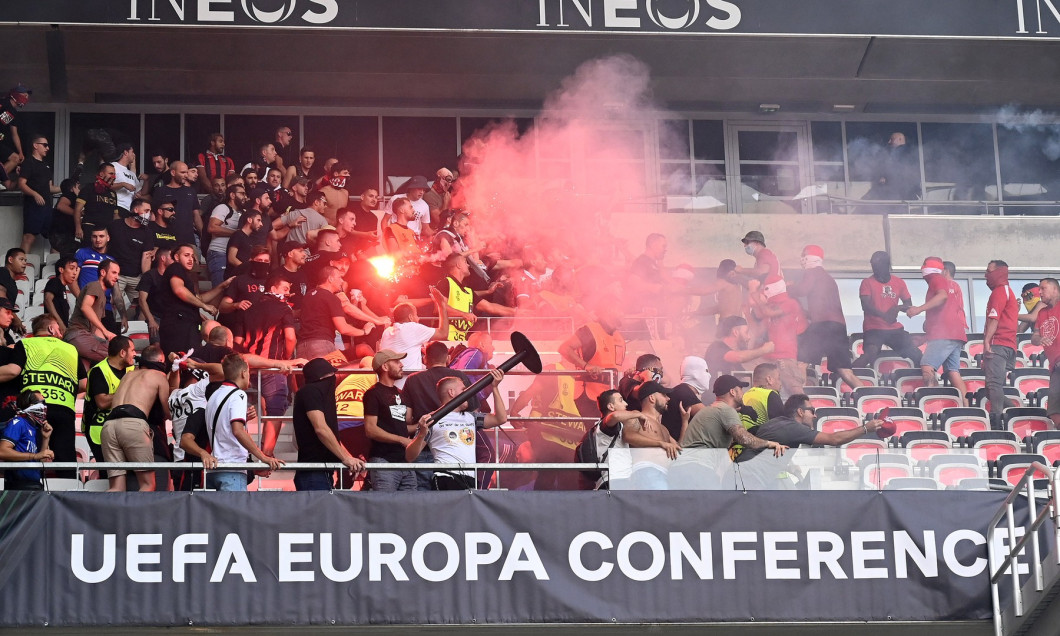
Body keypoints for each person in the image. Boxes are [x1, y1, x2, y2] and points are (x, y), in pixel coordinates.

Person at [0, 315, 87, 478]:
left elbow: (13, 370)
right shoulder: (71, 349)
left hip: (35, 407)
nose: (61, 334)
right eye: (59, 330)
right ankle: (68, 498)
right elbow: (83, 384)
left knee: (32, 457)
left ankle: (32, 495)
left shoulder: (26, 343)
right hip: (65, 409)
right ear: (51, 329)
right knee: (65, 462)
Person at [734, 394, 883, 489]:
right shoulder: (793, 428)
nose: (815, 415)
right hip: (749, 479)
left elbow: (763, 449)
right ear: (800, 412)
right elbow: (834, 439)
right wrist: (865, 428)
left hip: (740, 475)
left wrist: (787, 466)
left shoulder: (777, 422)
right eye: (811, 410)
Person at [670, 375, 786, 489]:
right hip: (697, 469)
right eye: (741, 389)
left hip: (680, 469)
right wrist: (769, 444)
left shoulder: (711, 410)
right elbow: (744, 438)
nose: (743, 394)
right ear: (732, 392)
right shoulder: (726, 410)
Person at [405, 368, 507, 490]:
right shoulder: (432, 419)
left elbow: (500, 419)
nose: (468, 394)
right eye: (464, 390)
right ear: (451, 392)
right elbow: (409, 456)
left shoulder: (471, 417)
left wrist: (495, 387)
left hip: (469, 479)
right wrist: (421, 434)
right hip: (446, 477)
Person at [202, 353, 283, 491]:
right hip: (232, 469)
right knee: (235, 512)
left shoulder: (215, 394)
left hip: (213, 470)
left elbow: (223, 425)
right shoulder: (238, 395)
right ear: (244, 373)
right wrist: (264, 457)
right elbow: (238, 431)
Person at [787, 245, 864, 390]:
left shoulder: (812, 272)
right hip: (838, 327)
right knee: (845, 371)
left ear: (808, 257)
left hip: (822, 325)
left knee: (801, 362)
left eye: (803, 255)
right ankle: (866, 394)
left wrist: (788, 288)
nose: (801, 259)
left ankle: (800, 399)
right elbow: (824, 307)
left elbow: (802, 290)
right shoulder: (828, 278)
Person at [241, 273, 297, 454]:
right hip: (272, 367)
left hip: (248, 367)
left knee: (244, 410)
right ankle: (266, 455)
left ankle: (252, 452)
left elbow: (238, 340)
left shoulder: (248, 309)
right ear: (273, 289)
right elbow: (290, 337)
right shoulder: (284, 308)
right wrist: (285, 360)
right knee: (274, 411)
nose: (288, 293)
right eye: (285, 289)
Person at [293, 358, 366, 491]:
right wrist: (345, 458)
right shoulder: (310, 392)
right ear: (322, 376)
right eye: (331, 375)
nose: (333, 378)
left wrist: (349, 457)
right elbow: (321, 428)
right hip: (313, 472)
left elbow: (331, 433)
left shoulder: (318, 394)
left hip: (322, 471)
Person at [906, 257, 968, 401]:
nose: (921, 267)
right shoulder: (954, 286)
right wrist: (926, 336)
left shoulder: (937, 279)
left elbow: (942, 296)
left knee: (927, 366)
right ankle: (967, 406)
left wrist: (919, 309)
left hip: (945, 334)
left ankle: (932, 402)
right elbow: (947, 312)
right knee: (953, 372)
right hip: (956, 334)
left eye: (924, 264)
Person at [154, 243, 232, 355]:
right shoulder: (176, 267)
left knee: (189, 363)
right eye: (186, 255)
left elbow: (199, 298)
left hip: (186, 326)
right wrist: (204, 306)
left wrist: (222, 286)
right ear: (176, 257)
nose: (191, 259)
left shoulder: (183, 274)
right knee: (182, 363)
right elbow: (179, 290)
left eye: (192, 256)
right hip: (178, 327)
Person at [851, 251, 922, 368]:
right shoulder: (867, 282)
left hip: (893, 328)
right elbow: (865, 305)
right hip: (873, 327)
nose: (874, 269)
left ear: (887, 265)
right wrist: (885, 316)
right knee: (871, 352)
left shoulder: (899, 282)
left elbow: (908, 304)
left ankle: (927, 379)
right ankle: (846, 376)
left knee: (916, 354)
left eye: (877, 266)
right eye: (873, 265)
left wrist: (897, 308)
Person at [363, 350, 417, 491]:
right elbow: (370, 429)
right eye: (397, 361)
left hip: (405, 461)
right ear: (385, 367)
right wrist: (401, 439)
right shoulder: (373, 394)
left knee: (411, 507)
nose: (401, 365)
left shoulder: (400, 393)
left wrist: (421, 427)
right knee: (385, 507)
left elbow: (400, 426)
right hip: (383, 460)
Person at [559, 306, 626, 416]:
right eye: (620, 309)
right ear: (608, 311)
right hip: (589, 395)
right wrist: (586, 366)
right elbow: (564, 348)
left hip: (611, 397)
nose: (623, 314)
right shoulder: (590, 330)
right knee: (596, 431)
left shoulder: (619, 338)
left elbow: (618, 366)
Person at [297, 266, 375, 359]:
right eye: (339, 277)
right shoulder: (331, 297)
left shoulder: (308, 296)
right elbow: (343, 329)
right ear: (330, 279)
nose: (342, 281)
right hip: (322, 347)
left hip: (301, 348)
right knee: (336, 372)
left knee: (362, 349)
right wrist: (364, 331)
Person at [749, 277, 807, 399]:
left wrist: (754, 293)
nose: (764, 292)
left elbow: (768, 313)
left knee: (795, 391)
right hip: (769, 357)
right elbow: (760, 325)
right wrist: (752, 304)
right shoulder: (770, 307)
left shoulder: (790, 303)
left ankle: (806, 413)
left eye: (766, 288)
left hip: (785, 357)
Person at [621, 381, 684, 490]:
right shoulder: (637, 416)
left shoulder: (664, 429)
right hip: (646, 470)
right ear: (652, 398)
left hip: (665, 474)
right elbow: (628, 435)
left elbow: (679, 449)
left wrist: (685, 422)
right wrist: (660, 443)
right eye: (664, 395)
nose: (668, 398)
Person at [83, 336, 135, 463]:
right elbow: (102, 402)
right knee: (108, 473)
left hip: (121, 427)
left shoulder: (131, 369)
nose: (135, 354)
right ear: (122, 353)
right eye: (132, 350)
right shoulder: (98, 371)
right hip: (98, 428)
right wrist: (127, 389)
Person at [64, 259, 124, 364]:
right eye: (114, 273)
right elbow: (85, 307)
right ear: (103, 272)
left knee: (86, 374)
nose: (117, 277)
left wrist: (107, 341)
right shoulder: (95, 286)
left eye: (118, 274)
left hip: (87, 336)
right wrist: (106, 332)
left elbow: (96, 327)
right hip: (78, 334)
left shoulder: (103, 296)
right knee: (117, 357)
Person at [983, 260, 1019, 428]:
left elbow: (994, 317)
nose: (985, 275)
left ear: (999, 272)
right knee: (991, 389)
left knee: (994, 385)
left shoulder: (999, 291)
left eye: (988, 271)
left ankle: (996, 420)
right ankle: (1016, 413)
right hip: (1008, 344)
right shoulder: (1008, 291)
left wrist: (986, 341)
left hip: (999, 343)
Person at [378, 293, 450, 377]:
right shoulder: (412, 328)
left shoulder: (387, 331)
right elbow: (443, 333)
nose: (418, 318)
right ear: (410, 317)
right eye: (416, 315)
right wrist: (441, 305)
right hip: (406, 383)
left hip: (388, 381)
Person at [106, 199, 156, 319]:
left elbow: (146, 257)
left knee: (146, 302)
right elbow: (104, 247)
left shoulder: (147, 232)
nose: (148, 214)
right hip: (117, 276)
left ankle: (139, 329)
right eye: (146, 211)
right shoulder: (115, 226)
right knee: (110, 301)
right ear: (136, 210)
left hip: (136, 276)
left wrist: (146, 280)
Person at [0, 391, 52, 490]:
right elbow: (2, 451)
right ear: (31, 405)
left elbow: (41, 461)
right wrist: (34, 456)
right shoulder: (18, 422)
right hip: (17, 485)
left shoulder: (37, 429)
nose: (44, 407)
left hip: (35, 484)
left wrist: (46, 438)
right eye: (41, 402)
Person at [16, 134, 60, 253]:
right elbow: (21, 184)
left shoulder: (46, 166)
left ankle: (55, 269)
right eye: (45, 145)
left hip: (47, 206)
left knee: (55, 238)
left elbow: (50, 188)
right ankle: (20, 267)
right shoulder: (28, 163)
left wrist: (66, 188)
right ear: (35, 145)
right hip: (33, 206)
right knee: (29, 237)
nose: (47, 148)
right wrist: (35, 194)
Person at [151, 161, 202, 246]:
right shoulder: (161, 191)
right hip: (166, 239)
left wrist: (202, 235)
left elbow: (196, 216)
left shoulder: (191, 191)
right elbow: (154, 215)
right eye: (182, 172)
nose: (186, 175)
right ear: (173, 172)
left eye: (186, 172)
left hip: (188, 240)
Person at [704, 315, 773, 378]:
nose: (749, 337)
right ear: (735, 332)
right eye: (746, 332)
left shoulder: (735, 357)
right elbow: (739, 357)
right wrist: (764, 350)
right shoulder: (717, 347)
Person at [660, 356, 710, 442]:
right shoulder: (683, 392)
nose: (709, 375)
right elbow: (710, 417)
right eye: (706, 371)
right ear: (695, 374)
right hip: (678, 449)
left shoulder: (682, 390)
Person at [206, 183, 246, 286]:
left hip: (229, 256)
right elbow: (212, 227)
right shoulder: (223, 208)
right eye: (241, 193)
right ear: (232, 195)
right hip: (218, 252)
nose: (245, 197)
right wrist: (236, 233)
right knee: (220, 288)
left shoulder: (240, 212)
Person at [864, 131, 920, 204]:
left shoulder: (903, 153)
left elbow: (898, 172)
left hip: (900, 195)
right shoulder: (909, 152)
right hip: (904, 196)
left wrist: (885, 177)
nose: (889, 141)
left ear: (900, 139)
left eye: (892, 139)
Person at [1033, 278, 1060, 428]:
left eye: (1043, 288)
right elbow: (1034, 336)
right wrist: (1040, 339)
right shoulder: (1042, 313)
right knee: (1054, 412)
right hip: (1055, 366)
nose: (1039, 292)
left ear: (1055, 289)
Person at [136, 246, 173, 344]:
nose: (175, 259)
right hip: (154, 315)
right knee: (157, 346)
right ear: (163, 258)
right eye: (171, 256)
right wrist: (151, 320)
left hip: (169, 317)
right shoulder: (149, 275)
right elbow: (142, 300)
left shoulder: (173, 277)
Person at [75, 162, 120, 242]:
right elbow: (77, 210)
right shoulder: (89, 188)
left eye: (114, 174)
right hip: (90, 228)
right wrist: (78, 228)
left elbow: (115, 215)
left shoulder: (113, 193)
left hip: (106, 231)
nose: (114, 176)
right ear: (101, 174)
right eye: (111, 173)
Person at [0, 84, 31, 183]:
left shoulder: (13, 113)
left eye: (27, 97)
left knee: (16, 158)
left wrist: (21, 152)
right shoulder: (3, 103)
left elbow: (14, 134)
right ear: (15, 95)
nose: (26, 98)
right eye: (24, 95)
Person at [226, 209, 264, 278]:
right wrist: (247, 270)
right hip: (233, 278)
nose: (261, 224)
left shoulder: (250, 239)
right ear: (249, 220)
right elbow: (231, 258)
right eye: (258, 220)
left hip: (243, 277)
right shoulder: (238, 235)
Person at [43, 257, 80, 327]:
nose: (75, 273)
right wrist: (60, 323)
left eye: (76, 269)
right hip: (54, 328)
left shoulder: (62, 287)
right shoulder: (55, 281)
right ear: (61, 270)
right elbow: (47, 300)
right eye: (71, 268)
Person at [110, 143, 144, 213]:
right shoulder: (113, 166)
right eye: (132, 152)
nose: (134, 155)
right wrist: (123, 184)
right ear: (126, 153)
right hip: (116, 209)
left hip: (129, 211)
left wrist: (147, 180)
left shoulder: (132, 174)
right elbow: (106, 185)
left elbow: (139, 192)